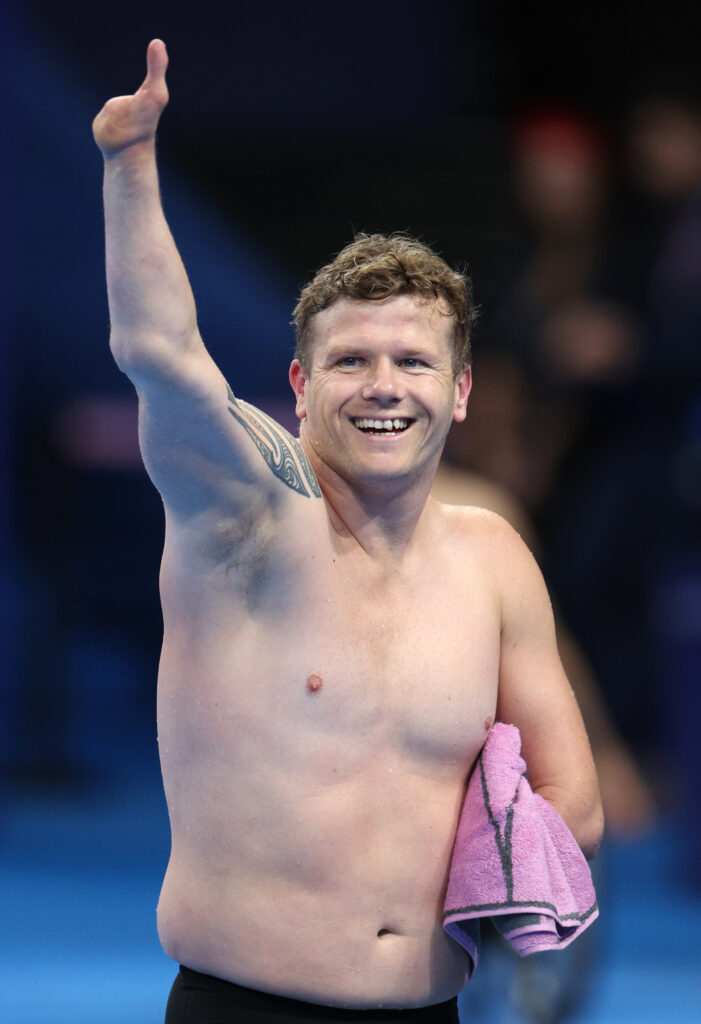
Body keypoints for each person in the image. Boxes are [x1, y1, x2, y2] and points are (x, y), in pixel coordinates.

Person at [92, 39, 603, 1024]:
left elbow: (571, 798)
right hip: (245, 1004)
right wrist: (130, 162)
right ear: (297, 387)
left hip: (428, 1010)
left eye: (412, 361)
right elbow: (158, 350)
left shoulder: (491, 554)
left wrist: (506, 840)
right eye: (349, 360)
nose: (381, 385)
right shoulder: (240, 517)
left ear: (457, 392)